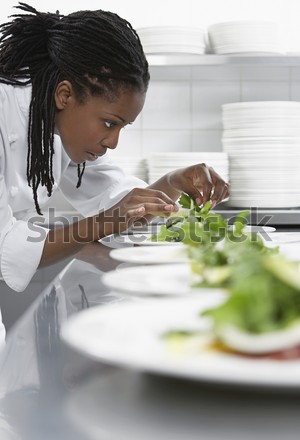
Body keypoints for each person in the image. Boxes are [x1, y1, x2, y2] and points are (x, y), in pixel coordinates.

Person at [0, 2, 229, 295]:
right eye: (110, 123)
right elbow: (5, 246)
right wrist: (104, 222)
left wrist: (175, 181)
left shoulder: (55, 123)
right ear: (65, 94)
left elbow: (117, 204)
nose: (113, 142)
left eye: (122, 127)